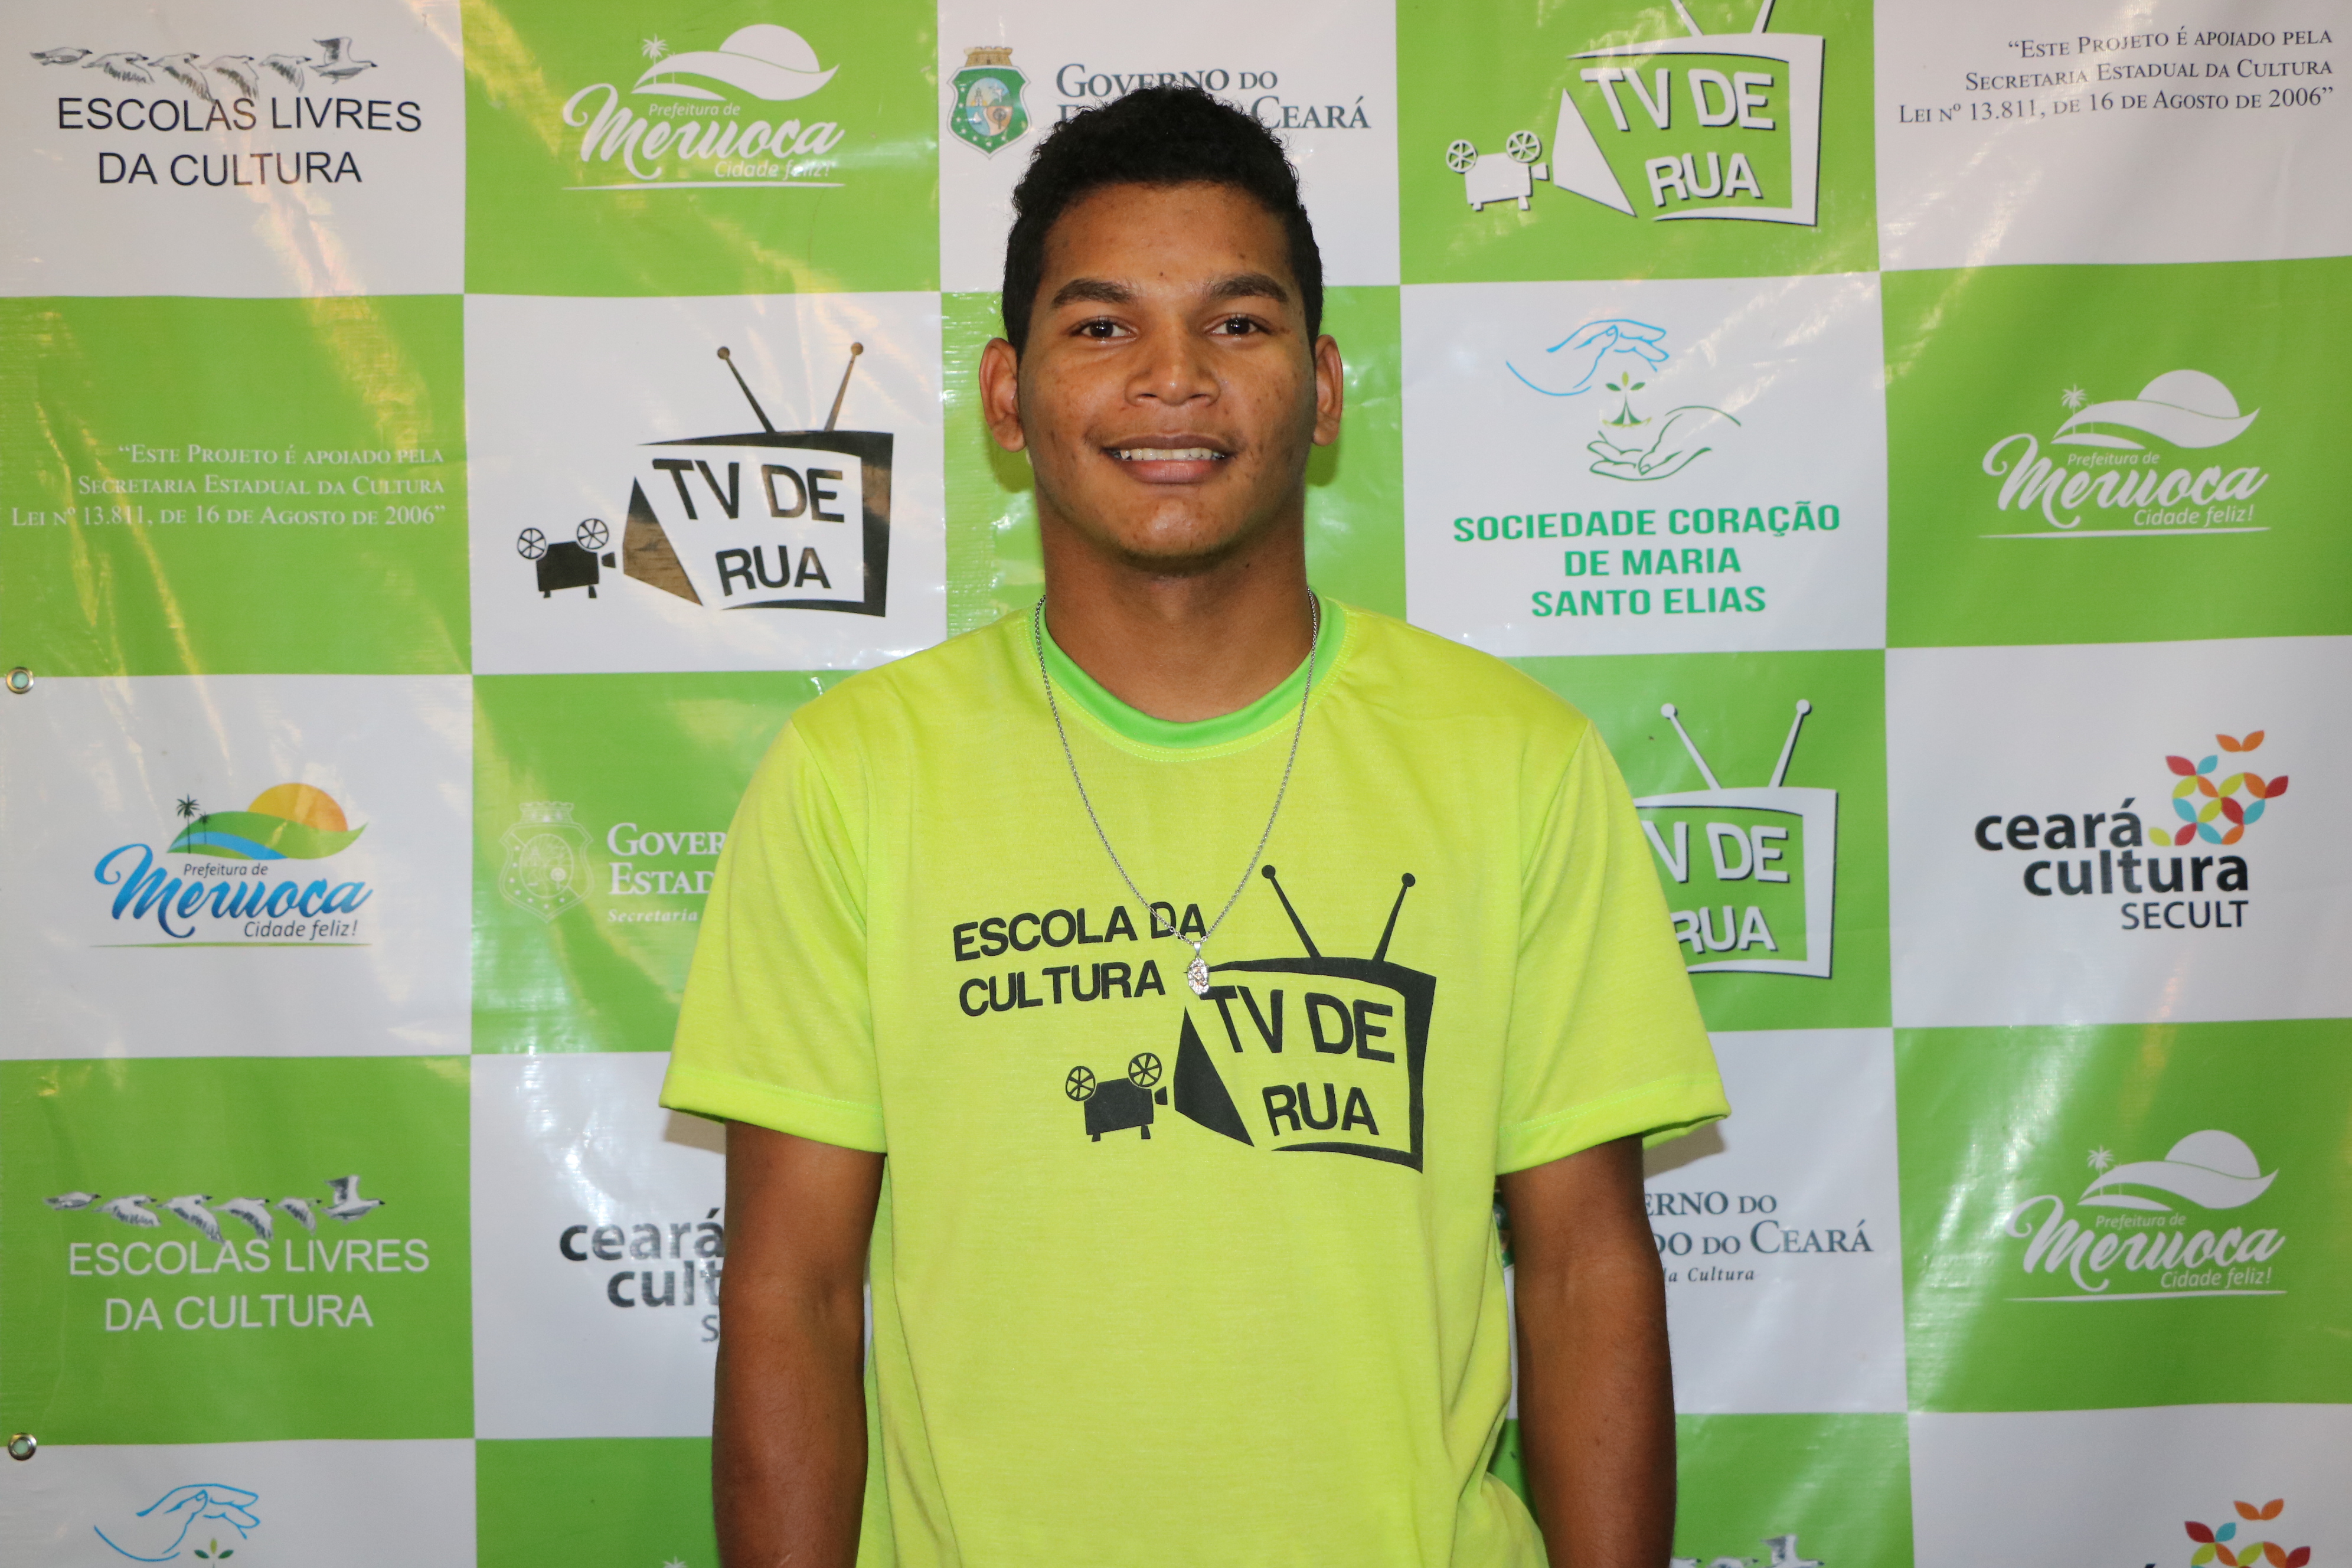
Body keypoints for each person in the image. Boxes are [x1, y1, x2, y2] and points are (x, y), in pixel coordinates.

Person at [661, 85, 1727, 1568]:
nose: (1174, 378)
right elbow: (794, 1290)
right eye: (1103, 326)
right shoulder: (853, 772)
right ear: (1006, 397)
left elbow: (1583, 1270)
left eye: (1237, 322)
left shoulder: (1518, 761)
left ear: (1325, 386)